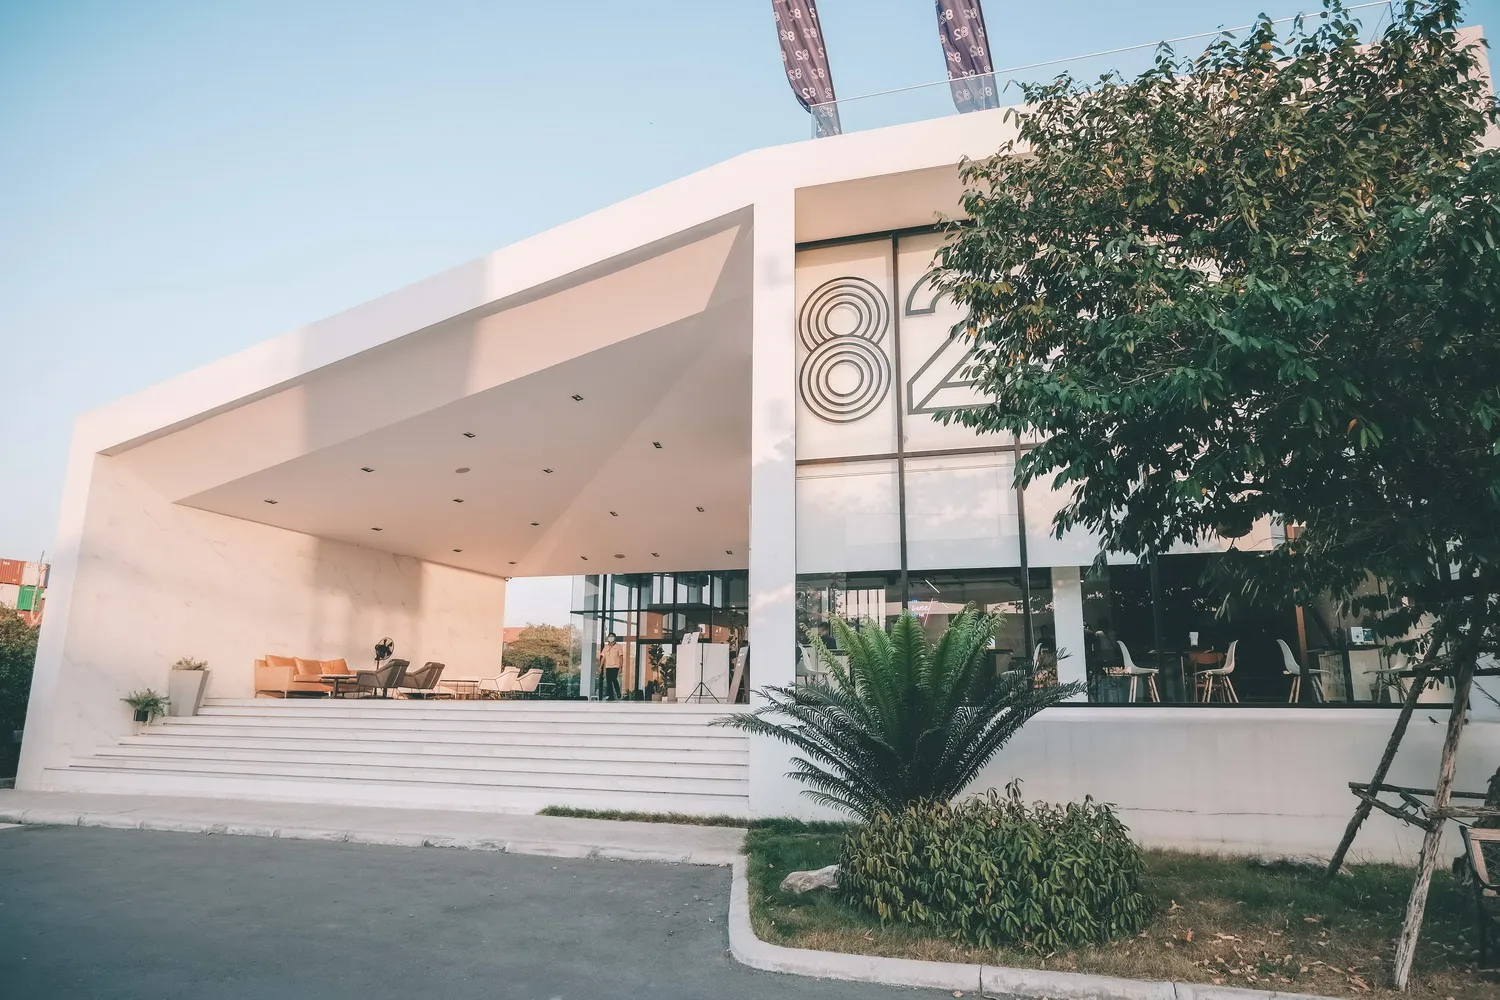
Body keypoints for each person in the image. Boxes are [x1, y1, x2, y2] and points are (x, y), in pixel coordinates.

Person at [598, 633, 626, 701]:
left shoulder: (618, 646)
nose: (610, 638)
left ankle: (618, 692)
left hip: (615, 666)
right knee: (609, 682)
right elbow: (603, 657)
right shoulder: (606, 647)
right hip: (608, 667)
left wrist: (621, 667)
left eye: (612, 636)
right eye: (609, 636)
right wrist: (600, 667)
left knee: (614, 679)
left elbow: (621, 657)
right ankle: (611, 696)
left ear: (615, 638)